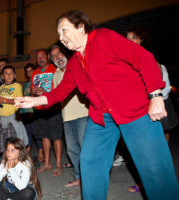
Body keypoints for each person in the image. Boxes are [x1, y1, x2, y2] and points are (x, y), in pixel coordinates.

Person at [15, 10, 179, 200]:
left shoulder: (104, 37)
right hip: (102, 117)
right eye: (58, 35)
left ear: (81, 26)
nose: (61, 38)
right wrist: (35, 100)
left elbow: (144, 58)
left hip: (136, 110)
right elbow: (60, 92)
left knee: (153, 165)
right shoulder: (75, 63)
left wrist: (156, 96)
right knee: (90, 161)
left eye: (64, 31)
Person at [126, 27, 179, 193]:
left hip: (157, 103)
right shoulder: (128, 59)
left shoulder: (148, 56)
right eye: (127, 37)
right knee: (146, 150)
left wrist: (154, 99)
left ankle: (162, 185)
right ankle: (147, 183)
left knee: (157, 150)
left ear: (141, 39)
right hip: (141, 106)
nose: (129, 40)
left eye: (133, 37)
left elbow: (162, 84)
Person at [51, 45, 89, 187]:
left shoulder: (76, 66)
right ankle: (78, 177)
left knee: (85, 149)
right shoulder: (55, 74)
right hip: (66, 116)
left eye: (59, 54)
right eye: (54, 57)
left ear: (65, 53)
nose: (57, 58)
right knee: (72, 150)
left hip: (83, 113)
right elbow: (56, 95)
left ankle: (89, 179)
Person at [31, 49, 63, 176]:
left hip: (53, 107)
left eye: (42, 56)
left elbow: (60, 88)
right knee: (44, 136)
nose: (40, 59)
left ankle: (59, 164)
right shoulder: (35, 73)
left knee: (56, 136)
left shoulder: (54, 69)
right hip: (40, 108)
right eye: (38, 57)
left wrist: (47, 92)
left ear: (48, 57)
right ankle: (47, 164)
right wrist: (34, 92)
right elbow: (32, 92)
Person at [0, 65, 28, 154]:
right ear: (2, 77)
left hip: (12, 119)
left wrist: (3, 100)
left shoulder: (17, 86)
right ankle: (6, 163)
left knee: (14, 145)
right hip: (2, 118)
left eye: (11, 73)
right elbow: (0, 100)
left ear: (14, 75)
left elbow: (19, 101)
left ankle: (17, 164)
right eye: (6, 73)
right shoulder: (2, 87)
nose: (9, 75)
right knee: (2, 144)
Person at [19, 63, 44, 162]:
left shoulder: (38, 83)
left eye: (31, 70)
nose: (29, 73)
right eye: (27, 71)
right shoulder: (25, 84)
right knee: (27, 132)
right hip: (24, 111)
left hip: (34, 110)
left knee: (36, 132)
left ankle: (40, 151)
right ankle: (28, 150)